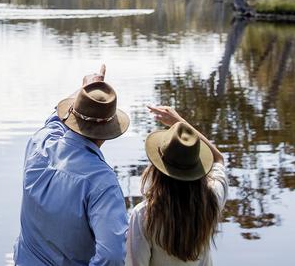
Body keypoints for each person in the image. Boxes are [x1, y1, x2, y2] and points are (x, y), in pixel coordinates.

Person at [14, 65, 131, 266]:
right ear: (108, 131)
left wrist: (85, 89)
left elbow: (55, 119)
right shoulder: (103, 183)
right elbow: (111, 257)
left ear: (72, 114)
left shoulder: (40, 143)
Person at [126, 106, 228, 266]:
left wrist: (178, 125)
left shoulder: (144, 215)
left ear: (158, 169)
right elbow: (218, 159)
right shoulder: (211, 202)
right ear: (196, 168)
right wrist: (181, 124)